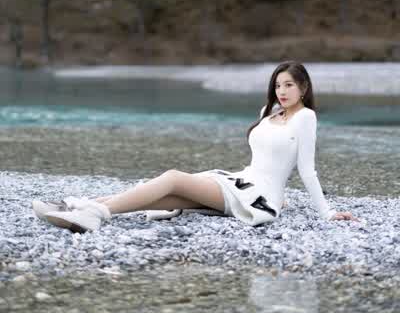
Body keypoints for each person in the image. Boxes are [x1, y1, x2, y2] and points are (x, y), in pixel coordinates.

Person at [32, 60, 358, 233]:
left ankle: (96, 215)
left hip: (257, 197)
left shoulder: (306, 117)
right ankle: (78, 206)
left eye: (289, 85)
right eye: (278, 85)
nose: (282, 91)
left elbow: (307, 170)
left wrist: (327, 213)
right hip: (239, 180)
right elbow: (264, 158)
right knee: (166, 195)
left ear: (303, 87)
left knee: (173, 178)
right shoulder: (267, 112)